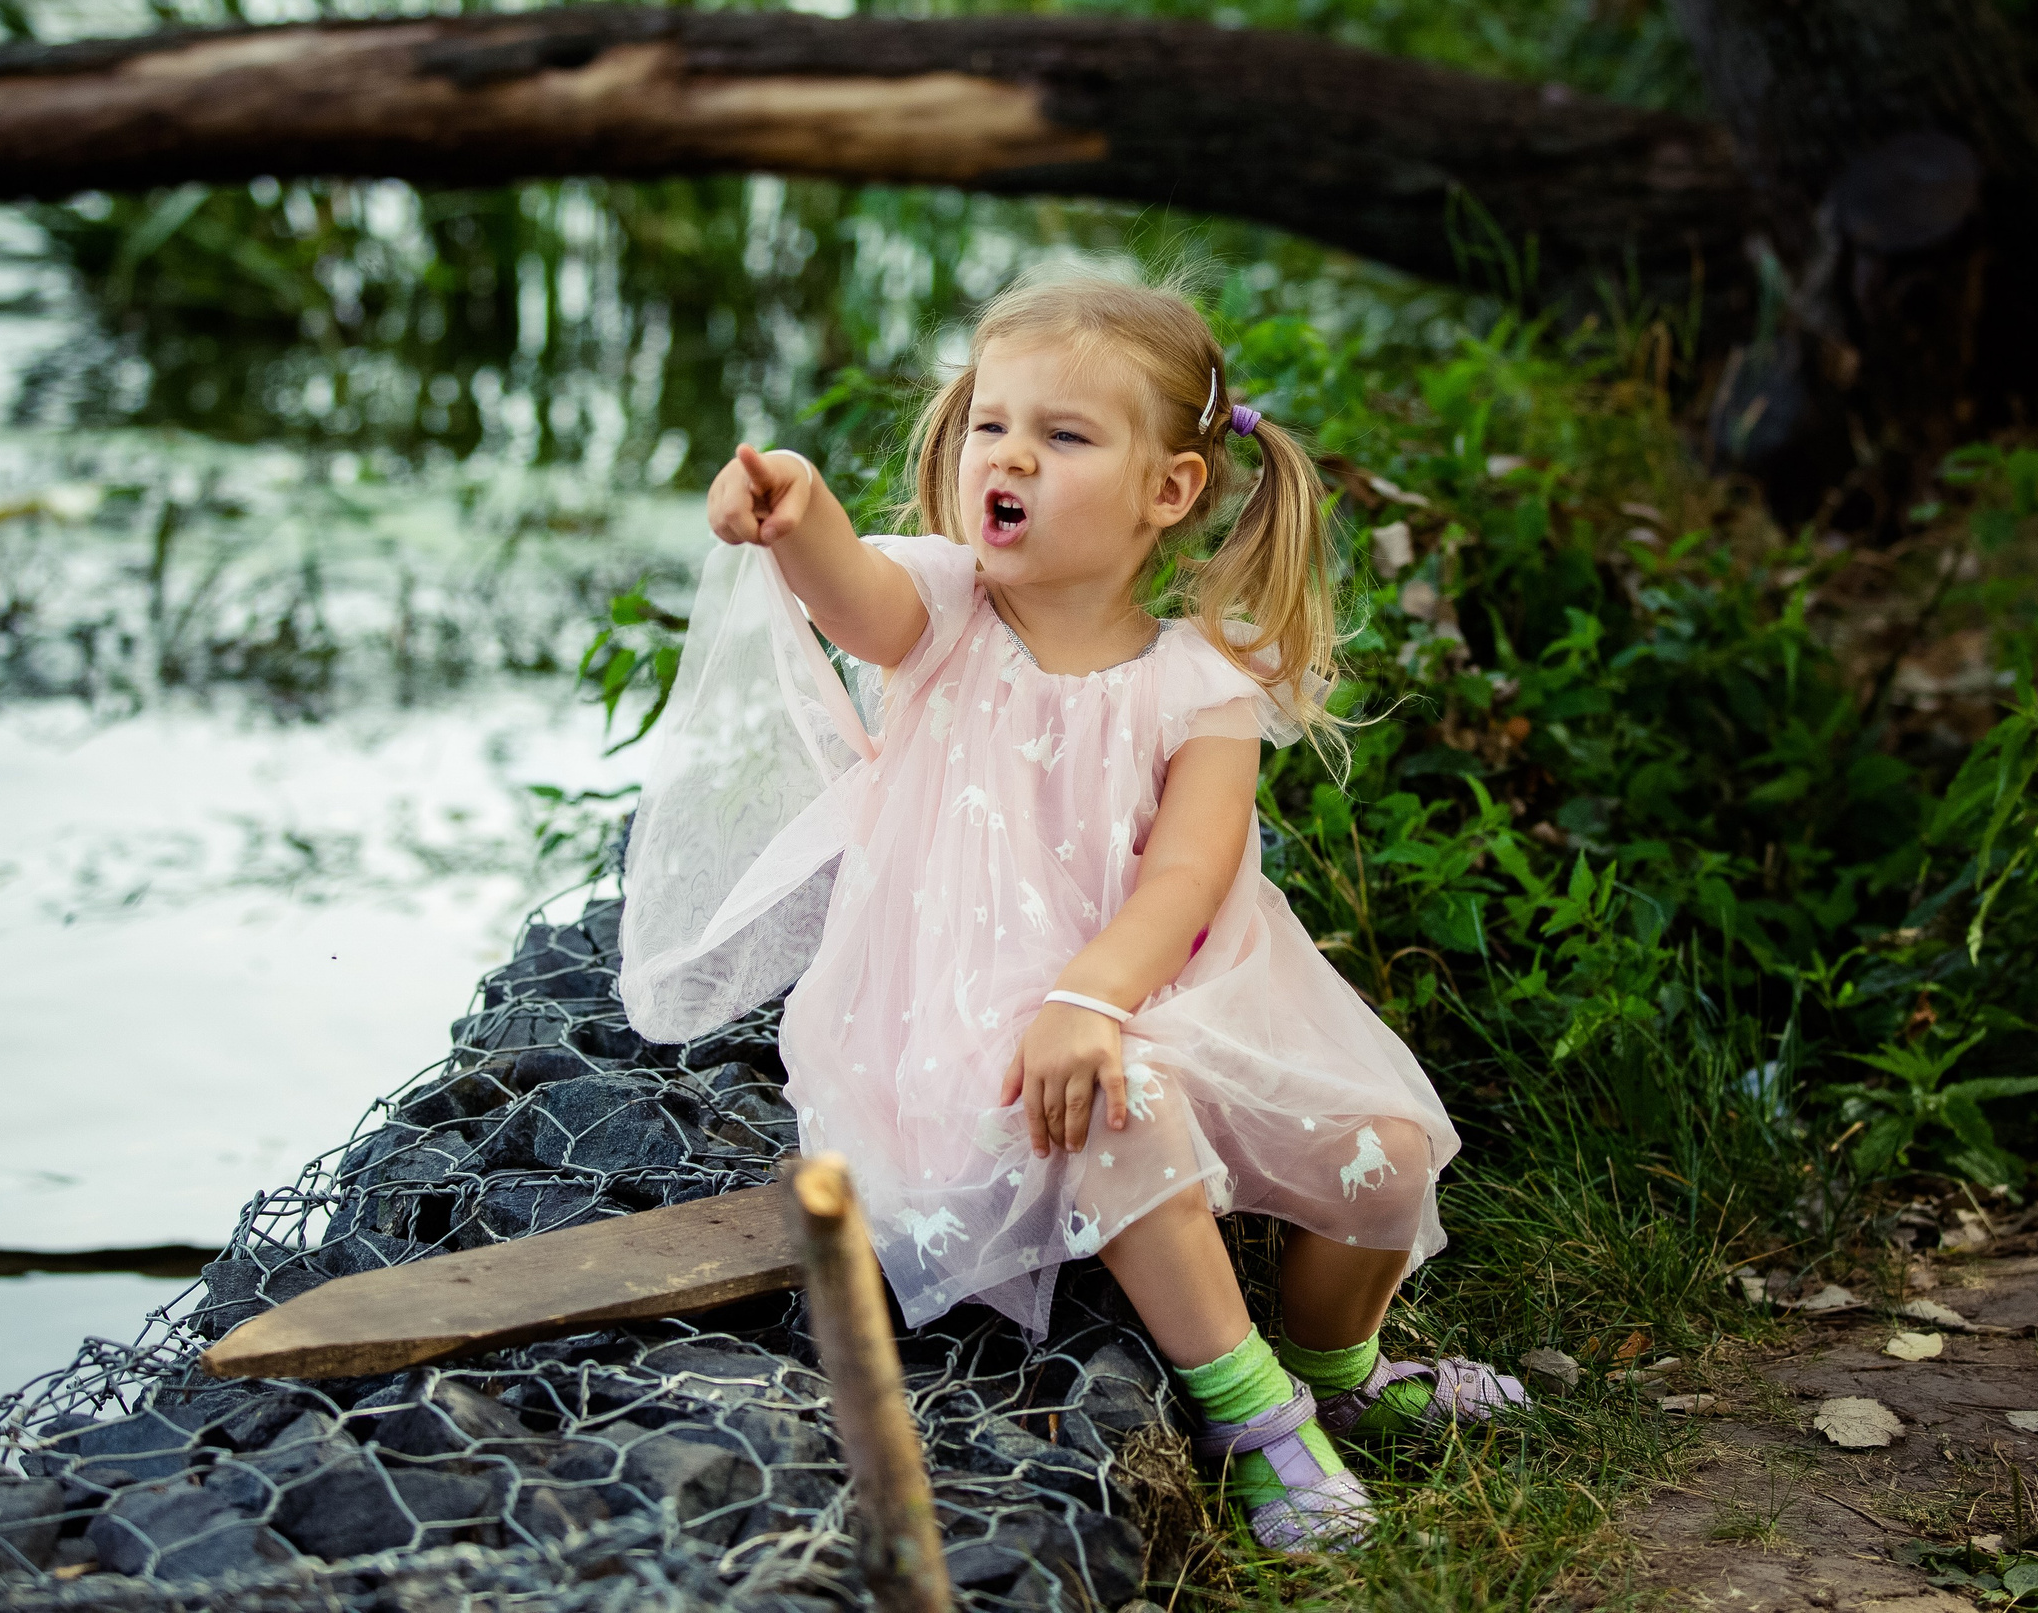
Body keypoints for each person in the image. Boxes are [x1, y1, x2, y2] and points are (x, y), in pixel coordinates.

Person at [616, 268, 1524, 1553]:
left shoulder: (1199, 686)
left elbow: (1186, 879)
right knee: (1116, 1107)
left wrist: (1091, 998)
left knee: (1384, 1153)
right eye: (994, 423)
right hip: (960, 1020)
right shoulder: (940, 609)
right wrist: (798, 507)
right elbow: (849, 596)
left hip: (1150, 993)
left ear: (1170, 492)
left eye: (1065, 436)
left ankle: (1336, 1368)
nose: (1012, 458)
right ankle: (1251, 1413)